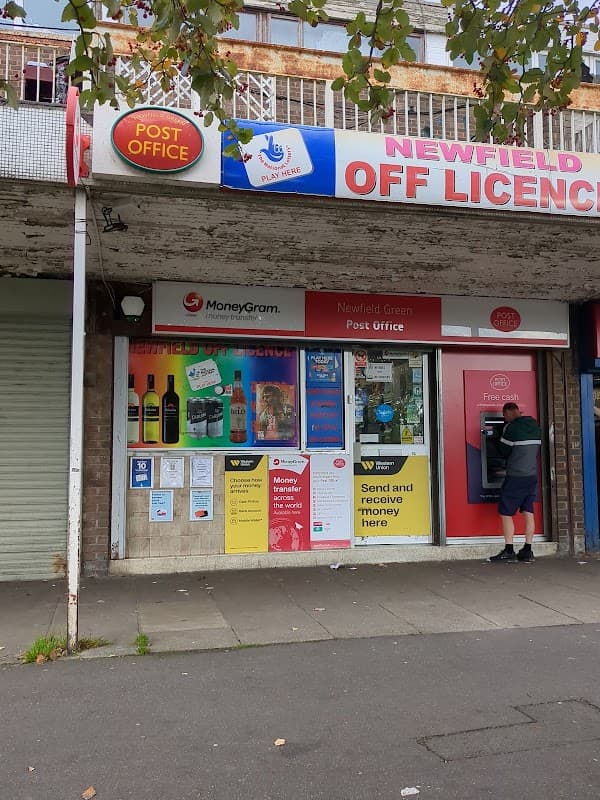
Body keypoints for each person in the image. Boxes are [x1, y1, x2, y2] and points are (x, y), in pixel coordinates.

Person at [490, 402, 542, 563]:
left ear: (508, 413)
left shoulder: (511, 428)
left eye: (504, 416)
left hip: (516, 476)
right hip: (531, 476)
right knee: (528, 511)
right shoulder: (534, 425)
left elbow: (503, 451)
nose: (504, 419)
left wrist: (495, 437)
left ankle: (509, 550)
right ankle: (527, 550)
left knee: (506, 513)